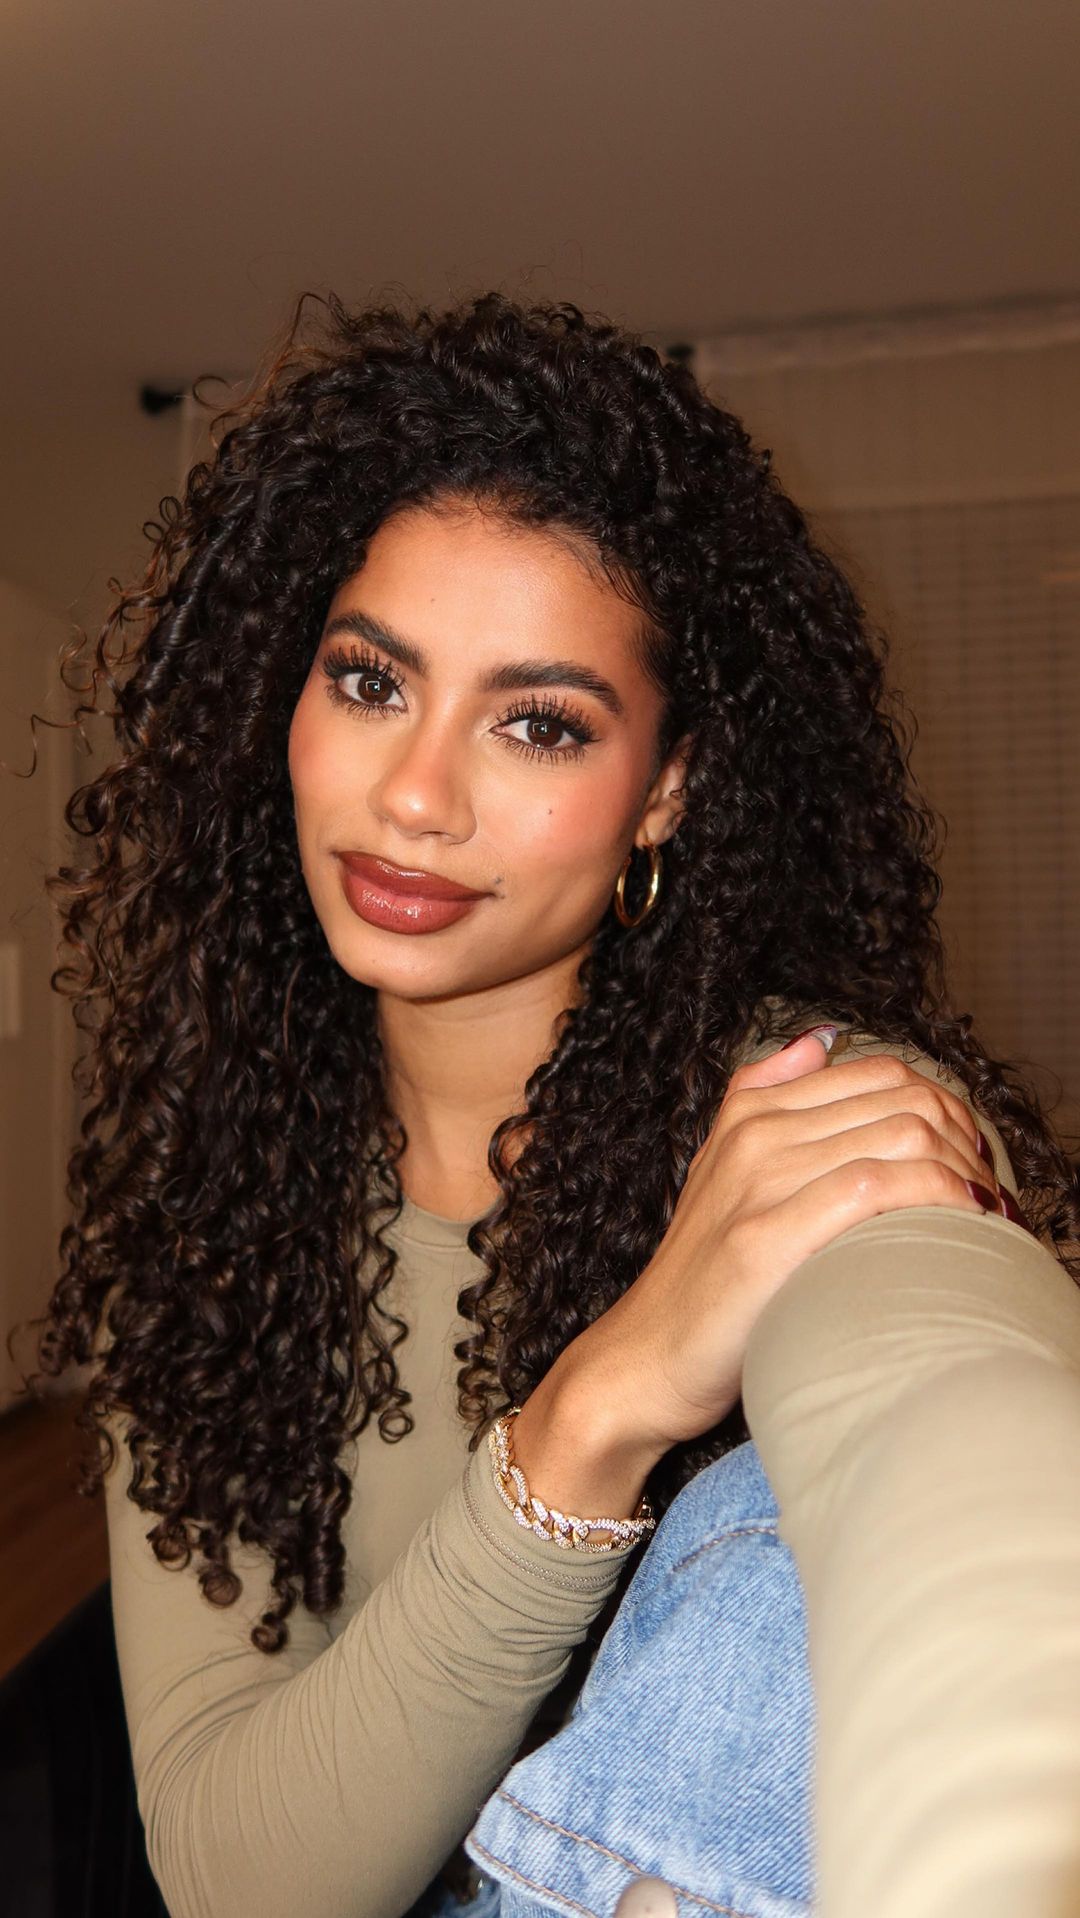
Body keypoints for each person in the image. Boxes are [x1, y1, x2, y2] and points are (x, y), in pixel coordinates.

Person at [24, 291, 1080, 1918]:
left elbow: (969, 1427)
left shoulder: (808, 1115)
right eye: (370, 681)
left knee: (766, 1539)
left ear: (667, 787)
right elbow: (242, 1878)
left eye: (536, 723)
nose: (416, 794)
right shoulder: (215, 1215)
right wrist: (604, 1404)